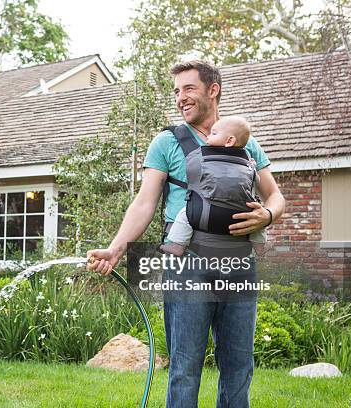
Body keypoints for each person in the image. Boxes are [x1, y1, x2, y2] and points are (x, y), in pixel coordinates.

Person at [86, 60, 285, 408]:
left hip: (239, 263)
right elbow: (144, 202)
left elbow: (276, 195)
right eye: (177, 91)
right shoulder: (166, 142)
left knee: (239, 365)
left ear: (213, 90)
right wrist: (116, 249)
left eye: (188, 89)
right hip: (187, 263)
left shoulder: (244, 143)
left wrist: (267, 216)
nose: (180, 98)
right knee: (185, 365)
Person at [160, 115, 267, 257]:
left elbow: (193, 177)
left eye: (214, 133)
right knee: (257, 219)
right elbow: (256, 182)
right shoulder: (248, 159)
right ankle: (260, 245)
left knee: (184, 214)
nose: (208, 137)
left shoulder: (202, 156)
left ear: (230, 140)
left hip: (205, 214)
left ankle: (177, 244)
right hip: (241, 215)